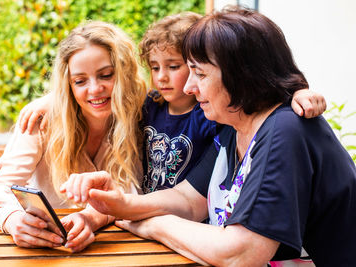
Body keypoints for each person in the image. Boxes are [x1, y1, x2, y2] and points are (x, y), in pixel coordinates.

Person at [58, 7, 356, 266]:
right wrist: (119, 204)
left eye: (199, 74)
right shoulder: (234, 128)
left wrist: (152, 225)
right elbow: (188, 199)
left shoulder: (285, 130)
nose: (188, 87)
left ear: (240, 75)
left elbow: (241, 253)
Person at [19, 12, 326, 195]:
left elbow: (258, 102)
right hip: (150, 215)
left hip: (194, 217)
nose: (162, 78)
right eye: (154, 67)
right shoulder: (149, 106)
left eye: (176, 67)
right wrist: (52, 99)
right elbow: (108, 93)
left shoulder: (211, 112)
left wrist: (295, 93)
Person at [0, 20, 146, 252]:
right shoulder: (42, 121)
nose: (94, 89)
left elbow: (132, 190)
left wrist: (91, 218)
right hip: (48, 248)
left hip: (116, 249)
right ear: (68, 85)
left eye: (106, 75)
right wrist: (12, 220)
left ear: (123, 73)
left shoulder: (140, 117)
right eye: (80, 81)